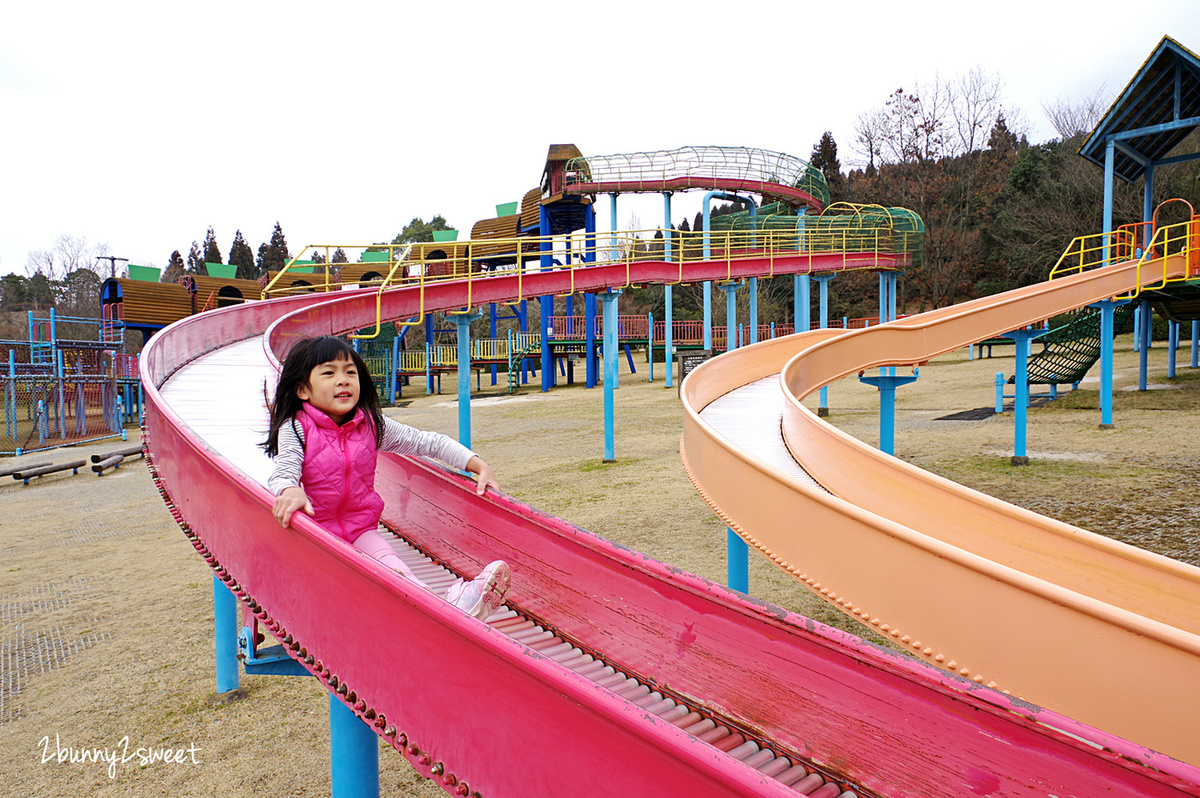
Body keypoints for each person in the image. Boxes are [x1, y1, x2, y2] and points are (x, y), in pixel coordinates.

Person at [262, 335, 510, 620]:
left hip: (361, 530)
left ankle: (457, 605)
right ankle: (449, 608)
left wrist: (476, 464)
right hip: (317, 538)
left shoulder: (371, 424)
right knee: (346, 601)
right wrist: (290, 490)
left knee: (400, 577)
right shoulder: (296, 429)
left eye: (350, 372)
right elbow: (284, 471)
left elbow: (426, 442)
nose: (343, 380)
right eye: (329, 372)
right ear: (302, 389)